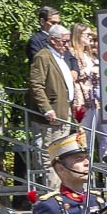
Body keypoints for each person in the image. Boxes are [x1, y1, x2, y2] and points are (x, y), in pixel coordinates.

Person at [29, 23, 77, 190]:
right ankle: (53, 192)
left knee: (62, 154)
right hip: (52, 115)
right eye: (64, 41)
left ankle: (61, 191)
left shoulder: (60, 57)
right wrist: (46, 108)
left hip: (64, 112)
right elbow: (36, 85)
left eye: (68, 41)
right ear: (53, 40)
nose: (67, 45)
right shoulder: (43, 56)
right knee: (52, 155)